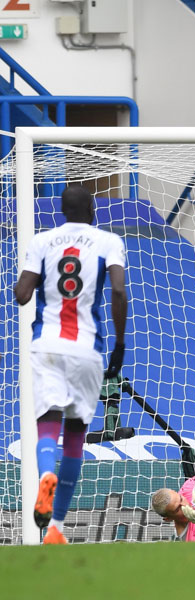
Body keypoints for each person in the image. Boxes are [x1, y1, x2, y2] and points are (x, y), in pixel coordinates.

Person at [13, 185, 128, 545]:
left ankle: (45, 475)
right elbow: (119, 292)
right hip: (86, 349)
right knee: (76, 438)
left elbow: (21, 294)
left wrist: (34, 282)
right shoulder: (109, 241)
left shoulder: (41, 241)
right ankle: (57, 528)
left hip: (46, 345)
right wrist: (120, 343)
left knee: (48, 424)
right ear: (92, 210)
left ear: (61, 210)